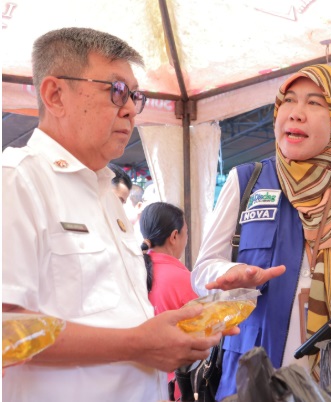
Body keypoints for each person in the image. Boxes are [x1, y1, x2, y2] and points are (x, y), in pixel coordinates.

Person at [2, 27, 234, 402]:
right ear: (55, 94)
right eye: (115, 91)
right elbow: (5, 332)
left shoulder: (108, 193)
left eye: (134, 95)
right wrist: (135, 344)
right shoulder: (18, 180)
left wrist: (177, 325)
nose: (129, 108)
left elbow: (113, 311)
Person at [193, 64, 331, 400]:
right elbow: (203, 270)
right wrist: (232, 273)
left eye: (315, 103)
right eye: (288, 101)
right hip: (253, 379)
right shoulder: (247, 181)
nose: (296, 114)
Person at [140, 201, 198, 310]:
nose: (187, 238)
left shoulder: (134, 269)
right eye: (186, 232)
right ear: (174, 236)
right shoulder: (183, 280)